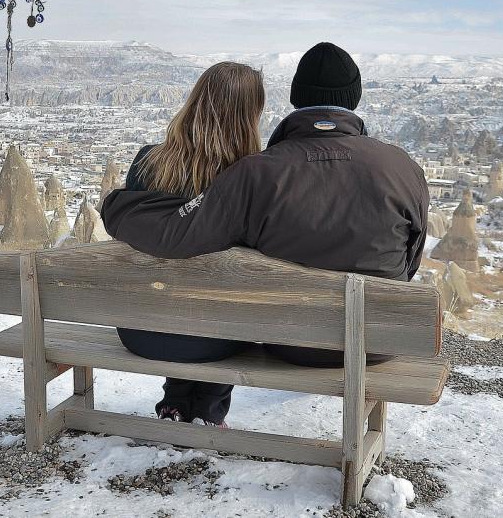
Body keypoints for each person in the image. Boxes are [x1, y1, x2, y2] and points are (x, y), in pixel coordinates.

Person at [102, 41, 429, 369]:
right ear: (355, 98)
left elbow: (177, 234)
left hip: (291, 342)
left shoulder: (257, 173)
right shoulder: (403, 169)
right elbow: (410, 261)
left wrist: (118, 205)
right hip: (380, 341)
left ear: (295, 97)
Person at [114, 60, 265, 427]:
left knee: (177, 293)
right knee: (229, 305)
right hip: (216, 339)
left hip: (141, 331)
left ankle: (176, 403)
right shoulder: (254, 177)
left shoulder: (147, 163)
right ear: (251, 116)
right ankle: (209, 411)